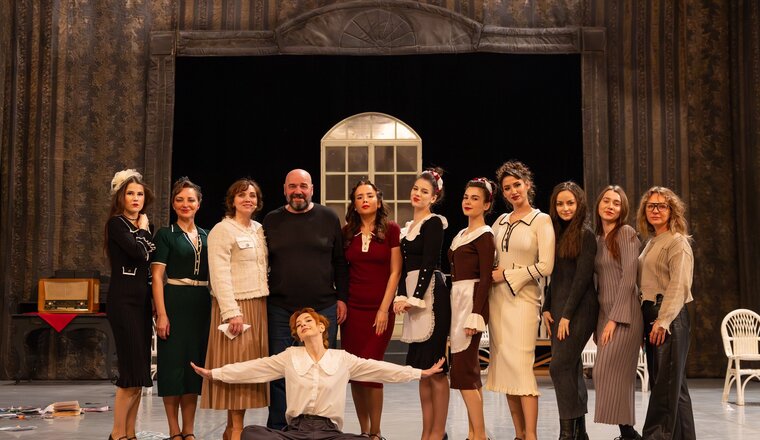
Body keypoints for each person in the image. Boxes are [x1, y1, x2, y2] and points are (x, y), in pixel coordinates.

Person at [190, 308, 445, 440]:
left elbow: (380, 369)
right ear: (298, 335)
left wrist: (420, 373)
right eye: (299, 325)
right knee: (252, 433)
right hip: (295, 430)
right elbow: (254, 368)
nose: (303, 325)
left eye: (308, 321)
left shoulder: (342, 358)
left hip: (329, 432)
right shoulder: (290, 356)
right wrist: (216, 373)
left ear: (322, 327)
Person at [263, 169, 349, 429]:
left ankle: (320, 427)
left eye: (303, 186)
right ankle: (279, 429)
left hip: (323, 307)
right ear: (284, 189)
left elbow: (339, 262)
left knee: (323, 371)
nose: (297, 191)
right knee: (280, 373)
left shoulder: (328, 217)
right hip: (281, 309)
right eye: (292, 186)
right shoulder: (271, 220)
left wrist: (342, 298)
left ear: (312, 189)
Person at [485, 161, 554, 440]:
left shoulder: (541, 220)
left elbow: (546, 265)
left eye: (517, 184)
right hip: (497, 302)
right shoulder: (500, 221)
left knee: (522, 370)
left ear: (527, 184)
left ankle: (532, 435)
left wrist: (508, 275)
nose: (513, 191)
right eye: (507, 188)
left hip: (523, 301)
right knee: (506, 372)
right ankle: (519, 434)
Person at [202, 178, 269, 440]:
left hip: (258, 305)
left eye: (252, 195)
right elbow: (219, 274)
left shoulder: (259, 229)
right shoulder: (222, 230)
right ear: (232, 200)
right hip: (236, 307)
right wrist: (232, 312)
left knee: (248, 370)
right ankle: (237, 430)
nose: (248, 199)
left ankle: (231, 430)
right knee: (236, 367)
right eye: (242, 195)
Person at [340, 179, 402, 439]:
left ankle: (376, 433)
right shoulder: (347, 232)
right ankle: (363, 432)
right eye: (359, 197)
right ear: (354, 204)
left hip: (379, 311)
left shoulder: (391, 229)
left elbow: (395, 271)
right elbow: (342, 271)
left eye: (369, 195)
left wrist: (383, 309)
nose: (364, 200)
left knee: (372, 370)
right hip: (352, 312)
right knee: (355, 372)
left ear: (378, 200)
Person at [151, 177, 211, 440]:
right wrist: (162, 314)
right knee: (173, 367)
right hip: (174, 300)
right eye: (180, 200)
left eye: (191, 199)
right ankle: (174, 430)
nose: (185, 204)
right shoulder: (166, 234)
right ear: (173, 204)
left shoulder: (208, 235)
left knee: (193, 368)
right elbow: (156, 277)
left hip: (202, 304)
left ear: (199, 204)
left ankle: (189, 430)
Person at [393, 168, 451, 440]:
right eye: (416, 188)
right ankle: (426, 431)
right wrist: (401, 296)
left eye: (424, 191)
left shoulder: (434, 223)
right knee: (422, 371)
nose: (417, 194)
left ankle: (438, 432)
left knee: (436, 368)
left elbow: (429, 264)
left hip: (431, 296)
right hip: (413, 295)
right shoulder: (406, 229)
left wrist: (415, 297)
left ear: (434, 197)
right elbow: (403, 269)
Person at [637, 186, 695, 440]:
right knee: (674, 387)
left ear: (672, 210)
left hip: (668, 317)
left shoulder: (677, 242)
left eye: (662, 206)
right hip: (652, 314)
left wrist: (663, 321)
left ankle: (655, 436)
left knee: (665, 387)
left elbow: (679, 285)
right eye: (651, 206)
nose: (656, 210)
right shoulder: (651, 242)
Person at [541, 181, 598, 440]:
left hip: (580, 309)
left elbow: (581, 279)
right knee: (571, 368)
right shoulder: (556, 233)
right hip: (558, 308)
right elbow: (556, 278)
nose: (565, 208)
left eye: (570, 203)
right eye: (560, 203)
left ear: (579, 204)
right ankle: (579, 432)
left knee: (558, 367)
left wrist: (567, 315)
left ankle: (566, 433)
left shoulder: (586, 235)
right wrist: (547, 307)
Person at [104, 169, 156, 440]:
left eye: (140, 194)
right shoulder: (117, 224)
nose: (136, 198)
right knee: (129, 372)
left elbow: (148, 262)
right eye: (130, 194)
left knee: (139, 375)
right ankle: (117, 434)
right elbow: (138, 252)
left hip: (142, 302)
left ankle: (131, 433)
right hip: (123, 302)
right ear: (120, 197)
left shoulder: (146, 226)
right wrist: (143, 230)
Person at [592, 185, 644, 440]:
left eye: (616, 203)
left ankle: (629, 432)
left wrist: (613, 319)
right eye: (606, 201)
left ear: (622, 209)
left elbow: (628, 279)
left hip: (625, 316)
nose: (610, 206)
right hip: (606, 315)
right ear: (598, 204)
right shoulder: (598, 239)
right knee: (615, 375)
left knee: (605, 371)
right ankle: (628, 433)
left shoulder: (626, 233)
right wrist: (600, 322)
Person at [447, 178, 496, 440]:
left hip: (471, 304)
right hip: (458, 302)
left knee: (464, 373)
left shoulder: (485, 235)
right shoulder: (461, 235)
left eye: (475, 198)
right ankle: (473, 432)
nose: (468, 201)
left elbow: (486, 278)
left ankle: (480, 435)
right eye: (466, 197)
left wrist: (477, 314)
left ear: (486, 204)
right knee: (470, 373)